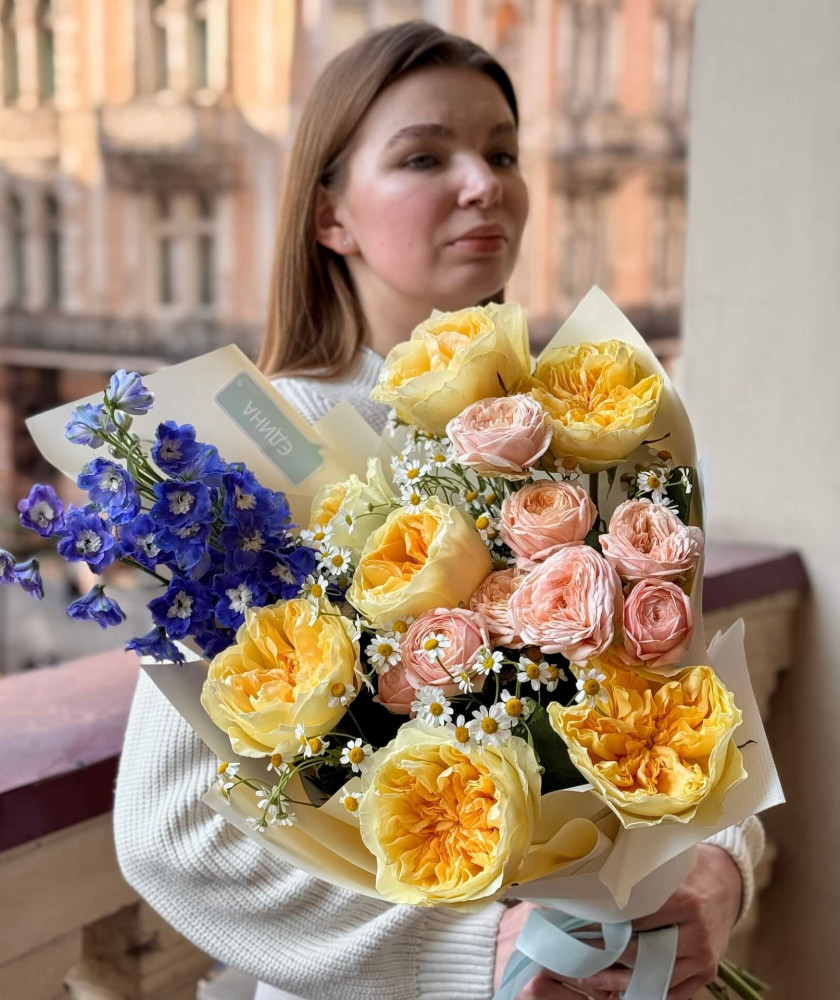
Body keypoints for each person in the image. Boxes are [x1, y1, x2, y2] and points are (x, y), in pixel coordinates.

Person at [113, 22, 764, 1000]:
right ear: (330, 215)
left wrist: (718, 870)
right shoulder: (258, 456)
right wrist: (475, 954)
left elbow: (688, 713)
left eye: (502, 152)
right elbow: (173, 833)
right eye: (425, 156)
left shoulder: (581, 433)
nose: (484, 184)